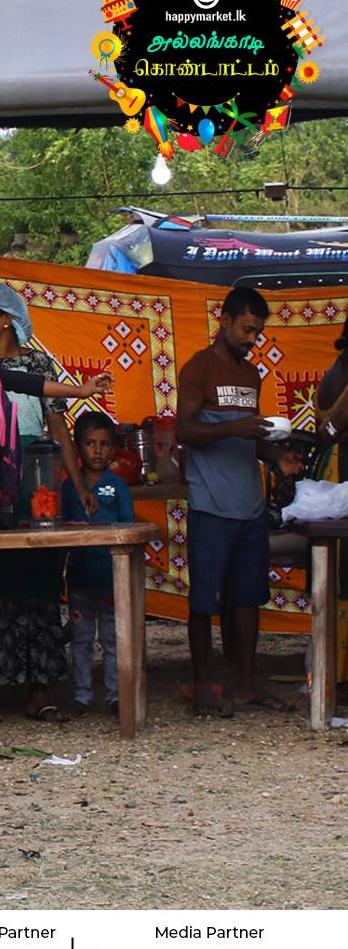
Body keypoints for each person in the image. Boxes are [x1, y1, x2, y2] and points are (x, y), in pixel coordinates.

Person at [0, 281, 84, 723]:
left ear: (8, 319)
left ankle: (38, 689)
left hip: (37, 479)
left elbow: (58, 428)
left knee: (39, 577)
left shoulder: (38, 365)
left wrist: (77, 485)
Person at [175, 286, 283, 716]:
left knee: (249, 597)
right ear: (224, 321)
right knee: (205, 600)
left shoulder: (252, 374)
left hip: (250, 505)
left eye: (257, 332)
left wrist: (278, 458)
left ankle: (244, 685)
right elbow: (184, 431)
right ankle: (203, 687)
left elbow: (251, 437)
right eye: (247, 330)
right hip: (211, 505)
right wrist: (234, 427)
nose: (252, 339)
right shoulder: (198, 368)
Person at [60, 412, 135, 715]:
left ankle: (116, 696)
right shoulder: (69, 487)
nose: (97, 450)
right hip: (79, 578)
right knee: (80, 639)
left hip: (111, 579)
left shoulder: (118, 486)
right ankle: (81, 696)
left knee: (112, 638)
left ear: (113, 448)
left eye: (104, 444)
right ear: (77, 447)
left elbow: (129, 529)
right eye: (90, 443)